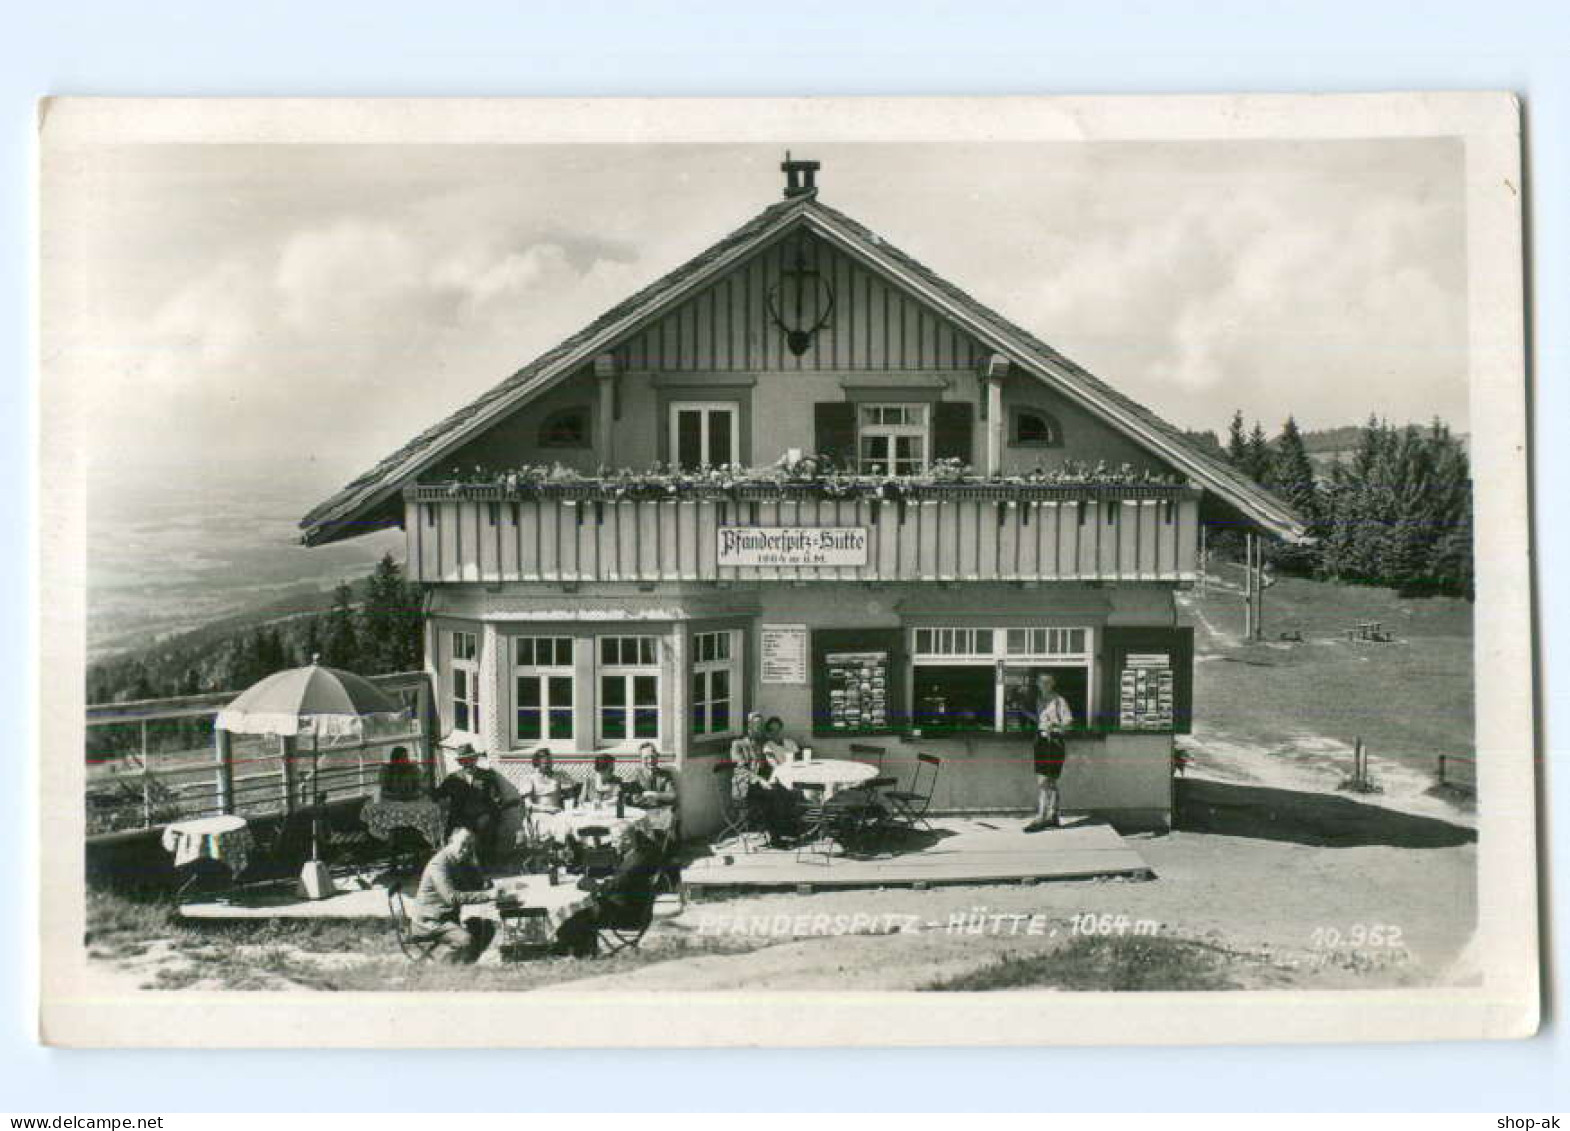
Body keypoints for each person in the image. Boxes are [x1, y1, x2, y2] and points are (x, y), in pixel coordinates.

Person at [552, 828, 663, 958]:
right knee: (584, 912)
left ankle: (572, 950)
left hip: (627, 915)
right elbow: (620, 883)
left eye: (624, 840)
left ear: (633, 840)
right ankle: (579, 950)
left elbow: (620, 883)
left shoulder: (636, 862)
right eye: (618, 840)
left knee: (581, 916)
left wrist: (596, 887)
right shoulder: (638, 857)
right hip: (628, 909)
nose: (618, 844)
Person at [408, 827, 497, 964]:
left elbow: (472, 886)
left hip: (446, 919)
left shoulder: (457, 861)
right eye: (463, 844)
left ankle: (465, 965)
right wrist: (488, 895)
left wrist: (480, 877)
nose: (466, 849)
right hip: (429, 922)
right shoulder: (439, 864)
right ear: (450, 841)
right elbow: (452, 898)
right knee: (466, 940)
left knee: (486, 927)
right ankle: (443, 969)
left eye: (470, 846)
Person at [435, 745, 506, 866]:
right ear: (460, 762)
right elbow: (438, 794)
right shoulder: (453, 778)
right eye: (463, 761)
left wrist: (487, 815)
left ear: (475, 759)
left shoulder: (487, 776)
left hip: (482, 817)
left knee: (488, 829)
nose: (467, 763)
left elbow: (497, 799)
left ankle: (486, 865)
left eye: (470, 759)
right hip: (459, 819)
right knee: (455, 837)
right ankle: (458, 865)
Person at [1025, 673, 1074, 832]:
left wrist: (1056, 726)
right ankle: (1053, 816)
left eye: (1047, 682)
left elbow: (1069, 722)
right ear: (1038, 684)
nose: (1044, 684)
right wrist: (1023, 712)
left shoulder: (1059, 701)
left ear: (1053, 683)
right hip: (1041, 740)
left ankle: (1042, 817)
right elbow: (1040, 720)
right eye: (1041, 682)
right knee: (1047, 781)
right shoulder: (1040, 700)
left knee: (1046, 781)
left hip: (1054, 741)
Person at [729, 741, 799, 846]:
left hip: (756, 788)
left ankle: (781, 831)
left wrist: (774, 769)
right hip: (743, 789)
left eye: (759, 725)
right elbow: (740, 770)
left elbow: (762, 766)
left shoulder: (759, 745)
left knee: (780, 790)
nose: (756, 728)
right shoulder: (738, 745)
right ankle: (775, 835)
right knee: (772, 797)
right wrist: (760, 779)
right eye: (752, 725)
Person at [517, 747, 575, 814]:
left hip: (558, 812)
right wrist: (547, 809)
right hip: (539, 813)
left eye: (550, 762)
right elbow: (527, 805)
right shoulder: (530, 779)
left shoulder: (558, 776)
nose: (549, 765)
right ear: (537, 763)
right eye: (546, 763)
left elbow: (570, 797)